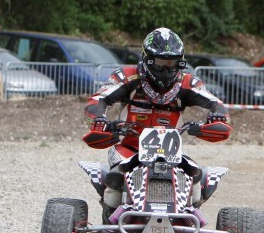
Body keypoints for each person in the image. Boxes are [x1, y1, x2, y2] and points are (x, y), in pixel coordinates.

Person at [82, 27, 231, 218]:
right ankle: (111, 230)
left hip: (171, 154)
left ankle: (191, 226)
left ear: (181, 62)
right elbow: (97, 100)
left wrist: (217, 117)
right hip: (128, 149)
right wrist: (99, 119)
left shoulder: (187, 83)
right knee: (117, 181)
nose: (166, 70)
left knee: (194, 179)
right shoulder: (128, 76)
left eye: (172, 64)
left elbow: (216, 104)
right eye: (160, 63)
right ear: (147, 59)